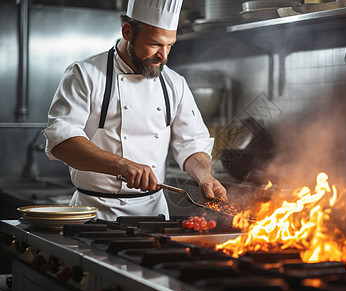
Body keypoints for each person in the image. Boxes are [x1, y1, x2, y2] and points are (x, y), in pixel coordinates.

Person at [43, 0, 227, 221]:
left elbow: (192, 143)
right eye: (156, 44)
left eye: (170, 45)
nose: (164, 56)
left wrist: (204, 175)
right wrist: (122, 165)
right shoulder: (85, 74)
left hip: (154, 214)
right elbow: (63, 142)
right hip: (93, 213)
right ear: (127, 31)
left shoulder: (174, 83)